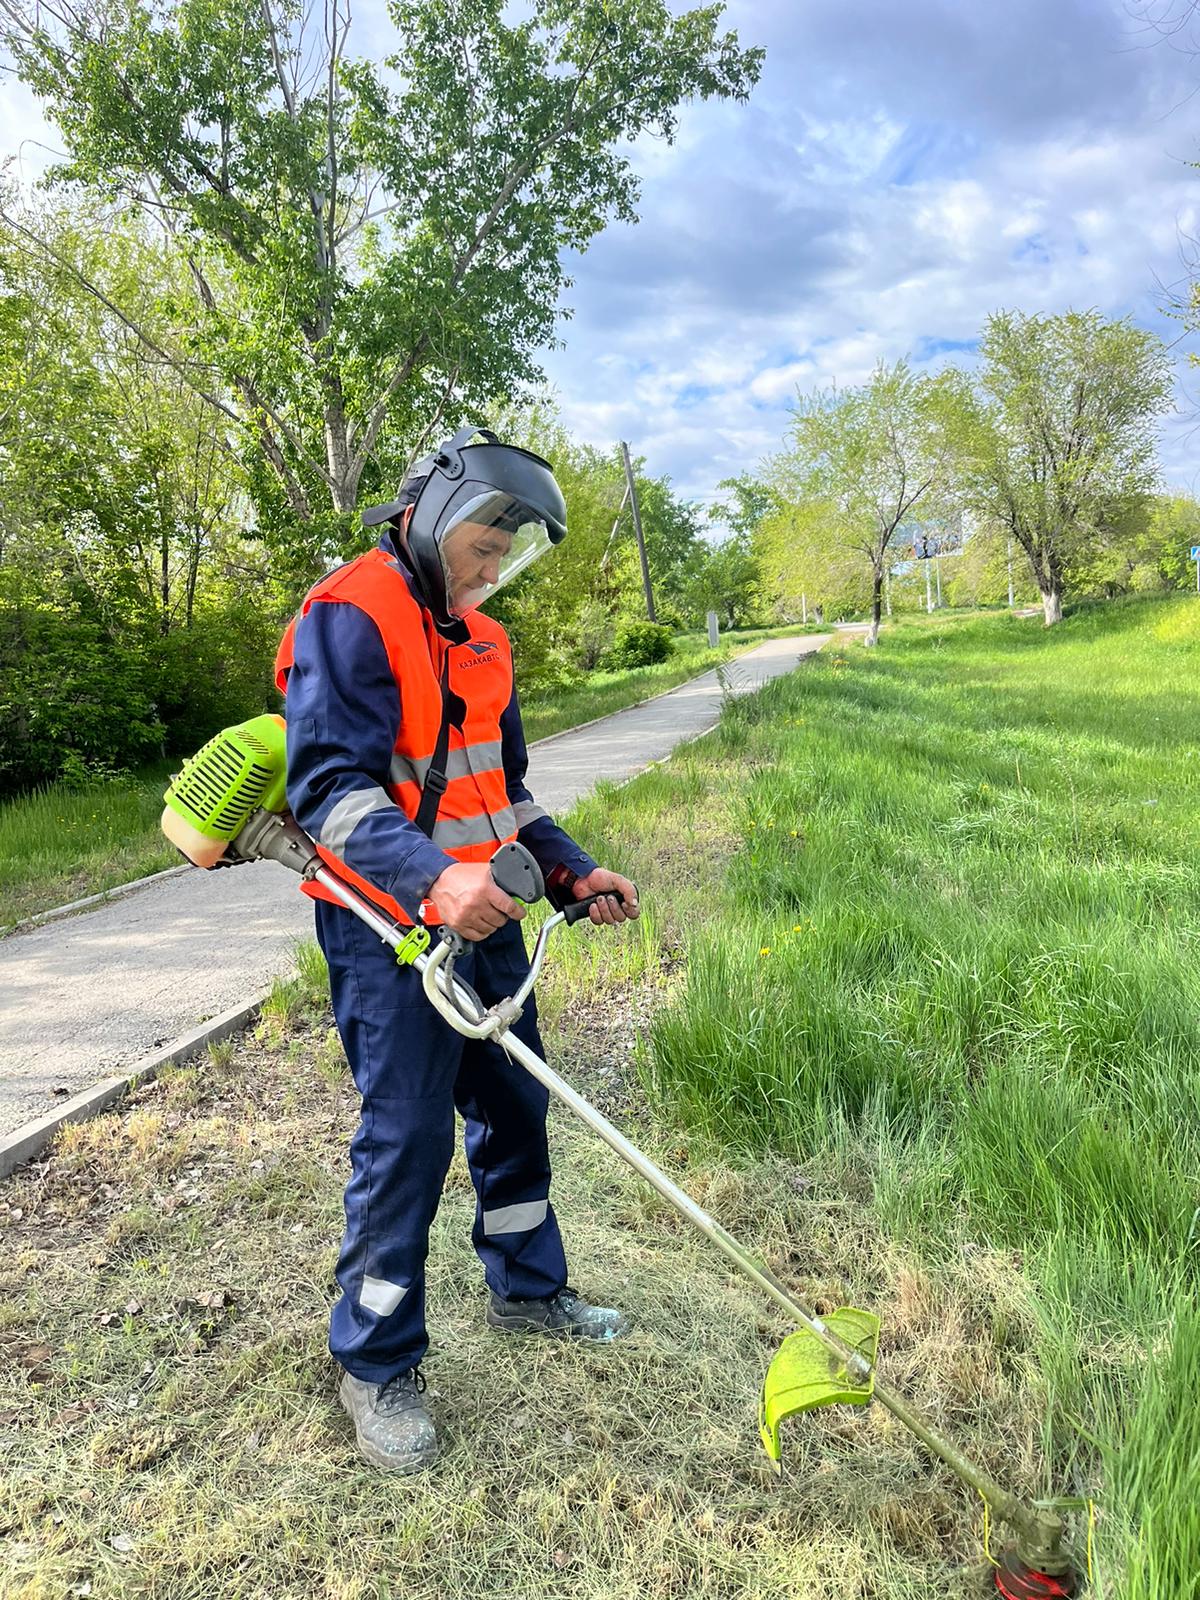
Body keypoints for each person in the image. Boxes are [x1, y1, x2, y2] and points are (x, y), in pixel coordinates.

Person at [274, 427, 640, 1474]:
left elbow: (506, 792)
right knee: (408, 1139)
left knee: (516, 1106)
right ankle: (375, 1358)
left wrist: (569, 870)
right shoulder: (350, 612)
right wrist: (435, 880)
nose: (490, 571)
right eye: (484, 546)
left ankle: (527, 1287)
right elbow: (328, 793)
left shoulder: (484, 639)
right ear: (433, 516)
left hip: (488, 916)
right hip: (389, 927)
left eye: (504, 556)